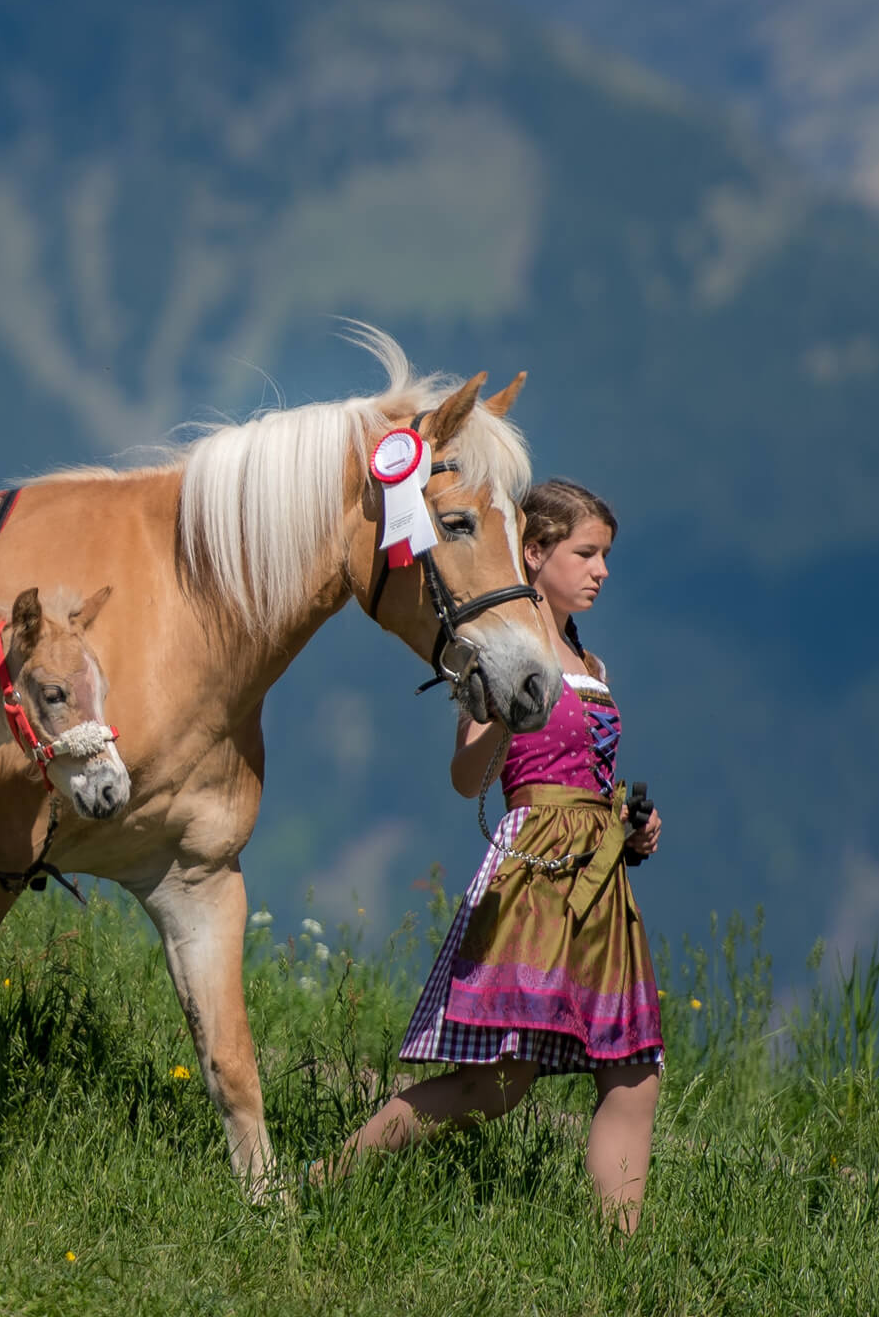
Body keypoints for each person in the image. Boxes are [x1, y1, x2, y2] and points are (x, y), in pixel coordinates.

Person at [312, 479, 664, 1231]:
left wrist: (633, 826)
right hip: (536, 873)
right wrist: (505, 711)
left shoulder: (593, 665)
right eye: (586, 553)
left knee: (634, 1077)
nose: (601, 571)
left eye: (606, 555)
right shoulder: (501, 651)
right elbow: (466, 776)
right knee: (497, 1085)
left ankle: (625, 1265)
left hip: (600, 877)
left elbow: (588, 777)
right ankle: (326, 1179)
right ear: (533, 552)